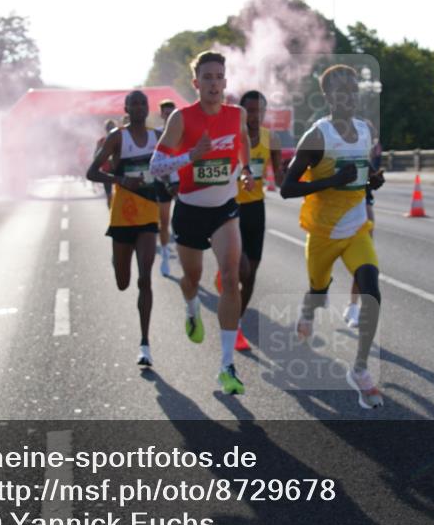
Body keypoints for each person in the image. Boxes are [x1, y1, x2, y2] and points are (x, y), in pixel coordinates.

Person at [280, 64, 386, 409]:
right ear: (327, 96)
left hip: (356, 228)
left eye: (354, 90)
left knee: (371, 287)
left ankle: (360, 367)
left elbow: (363, 174)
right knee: (318, 293)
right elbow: (287, 188)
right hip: (323, 233)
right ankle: (307, 315)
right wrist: (330, 181)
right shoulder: (316, 136)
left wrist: (372, 181)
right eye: (342, 91)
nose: (350, 97)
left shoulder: (365, 130)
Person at [149, 51, 253, 395]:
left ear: (225, 81)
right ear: (196, 83)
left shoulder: (236, 115)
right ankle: (191, 308)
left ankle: (226, 366)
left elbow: (244, 143)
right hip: (191, 209)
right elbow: (156, 166)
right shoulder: (182, 118)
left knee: (231, 275)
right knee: (191, 278)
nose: (213, 83)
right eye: (206, 77)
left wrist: (247, 170)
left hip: (224, 208)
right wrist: (189, 157)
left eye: (218, 76)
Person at [87, 92, 159, 367]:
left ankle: (145, 344)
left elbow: (169, 166)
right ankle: (117, 260)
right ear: (127, 109)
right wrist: (121, 179)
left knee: (145, 279)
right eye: (134, 103)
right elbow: (91, 172)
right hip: (122, 218)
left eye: (143, 103)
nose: (139, 107)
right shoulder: (117, 137)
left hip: (149, 217)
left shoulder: (157, 137)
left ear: (147, 108)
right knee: (123, 282)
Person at [215, 90, 281, 351]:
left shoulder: (271, 139)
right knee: (240, 269)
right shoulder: (230, 138)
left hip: (256, 209)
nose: (255, 116)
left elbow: (283, 178)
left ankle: (237, 320)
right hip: (231, 208)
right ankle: (229, 289)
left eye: (259, 111)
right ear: (242, 112)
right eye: (250, 111)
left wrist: (312, 177)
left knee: (251, 273)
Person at [343, 136, 382, 328]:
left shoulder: (363, 160)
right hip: (334, 212)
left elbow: (373, 179)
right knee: (323, 262)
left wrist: (376, 179)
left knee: (364, 262)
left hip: (363, 209)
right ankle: (319, 289)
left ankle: (353, 307)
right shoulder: (332, 153)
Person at [154, 99, 178, 277]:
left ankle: (186, 257)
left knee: (183, 222)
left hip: (182, 182)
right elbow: (156, 162)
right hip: (163, 183)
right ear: (161, 114)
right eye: (166, 113)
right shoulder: (157, 134)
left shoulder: (183, 132)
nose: (169, 116)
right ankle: (164, 256)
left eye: (172, 113)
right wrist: (168, 181)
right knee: (164, 221)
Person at [94, 120, 120, 207]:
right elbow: (96, 156)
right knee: (110, 195)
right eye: (109, 128)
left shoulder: (120, 139)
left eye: (112, 127)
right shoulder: (101, 141)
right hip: (108, 170)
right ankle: (111, 211)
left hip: (117, 170)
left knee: (116, 195)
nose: (110, 129)